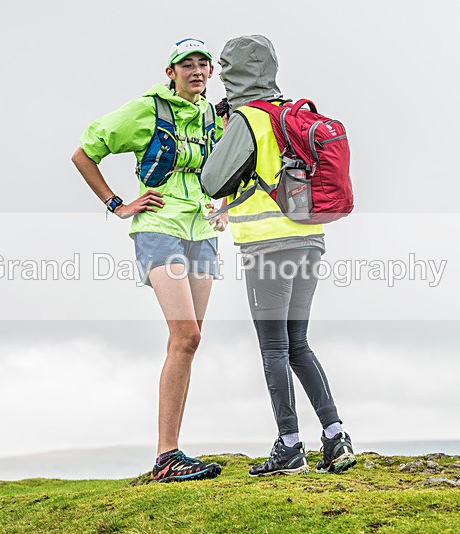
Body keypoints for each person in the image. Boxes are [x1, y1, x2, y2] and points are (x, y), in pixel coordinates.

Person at [71, 38, 227, 482]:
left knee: (189, 342)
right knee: (185, 333)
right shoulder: (146, 109)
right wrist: (117, 204)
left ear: (211, 72)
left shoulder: (214, 117)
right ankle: (166, 455)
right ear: (170, 72)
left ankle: (170, 453)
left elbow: (232, 168)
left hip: (202, 232)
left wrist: (226, 207)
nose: (196, 71)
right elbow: (84, 153)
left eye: (203, 64)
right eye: (186, 64)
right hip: (159, 227)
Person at [201, 35, 356, 477]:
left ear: (232, 74)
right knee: (298, 343)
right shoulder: (289, 113)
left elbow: (213, 181)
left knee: (274, 347)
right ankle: (335, 437)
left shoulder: (247, 118)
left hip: (267, 245)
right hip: (310, 240)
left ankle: (289, 446)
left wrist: (225, 132)